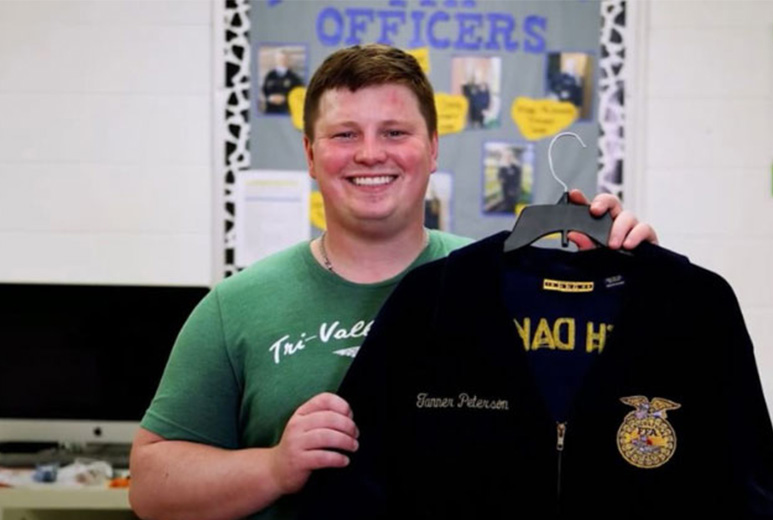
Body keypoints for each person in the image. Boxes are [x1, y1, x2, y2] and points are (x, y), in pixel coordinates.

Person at [129, 43, 657, 520]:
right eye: (344, 134)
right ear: (311, 156)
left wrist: (631, 288)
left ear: (432, 149)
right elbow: (150, 487)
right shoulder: (236, 305)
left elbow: (597, 431)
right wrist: (272, 468)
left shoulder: (504, 286)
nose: (370, 154)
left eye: (395, 132)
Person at [261, 49, 304, 115]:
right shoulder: (270, 75)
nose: (281, 61)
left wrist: (285, 98)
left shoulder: (294, 77)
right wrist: (270, 98)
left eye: (283, 59)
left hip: (286, 111)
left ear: (287, 60)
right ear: (276, 60)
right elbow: (264, 89)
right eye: (279, 58)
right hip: (270, 110)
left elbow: (299, 93)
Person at [496, 146, 523, 213]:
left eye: (509, 157)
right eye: (506, 157)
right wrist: (501, 179)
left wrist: (514, 189)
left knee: (512, 206)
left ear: (511, 157)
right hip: (505, 190)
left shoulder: (516, 167)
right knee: (506, 203)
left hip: (513, 191)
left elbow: (517, 179)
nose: (507, 158)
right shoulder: (502, 167)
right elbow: (499, 177)